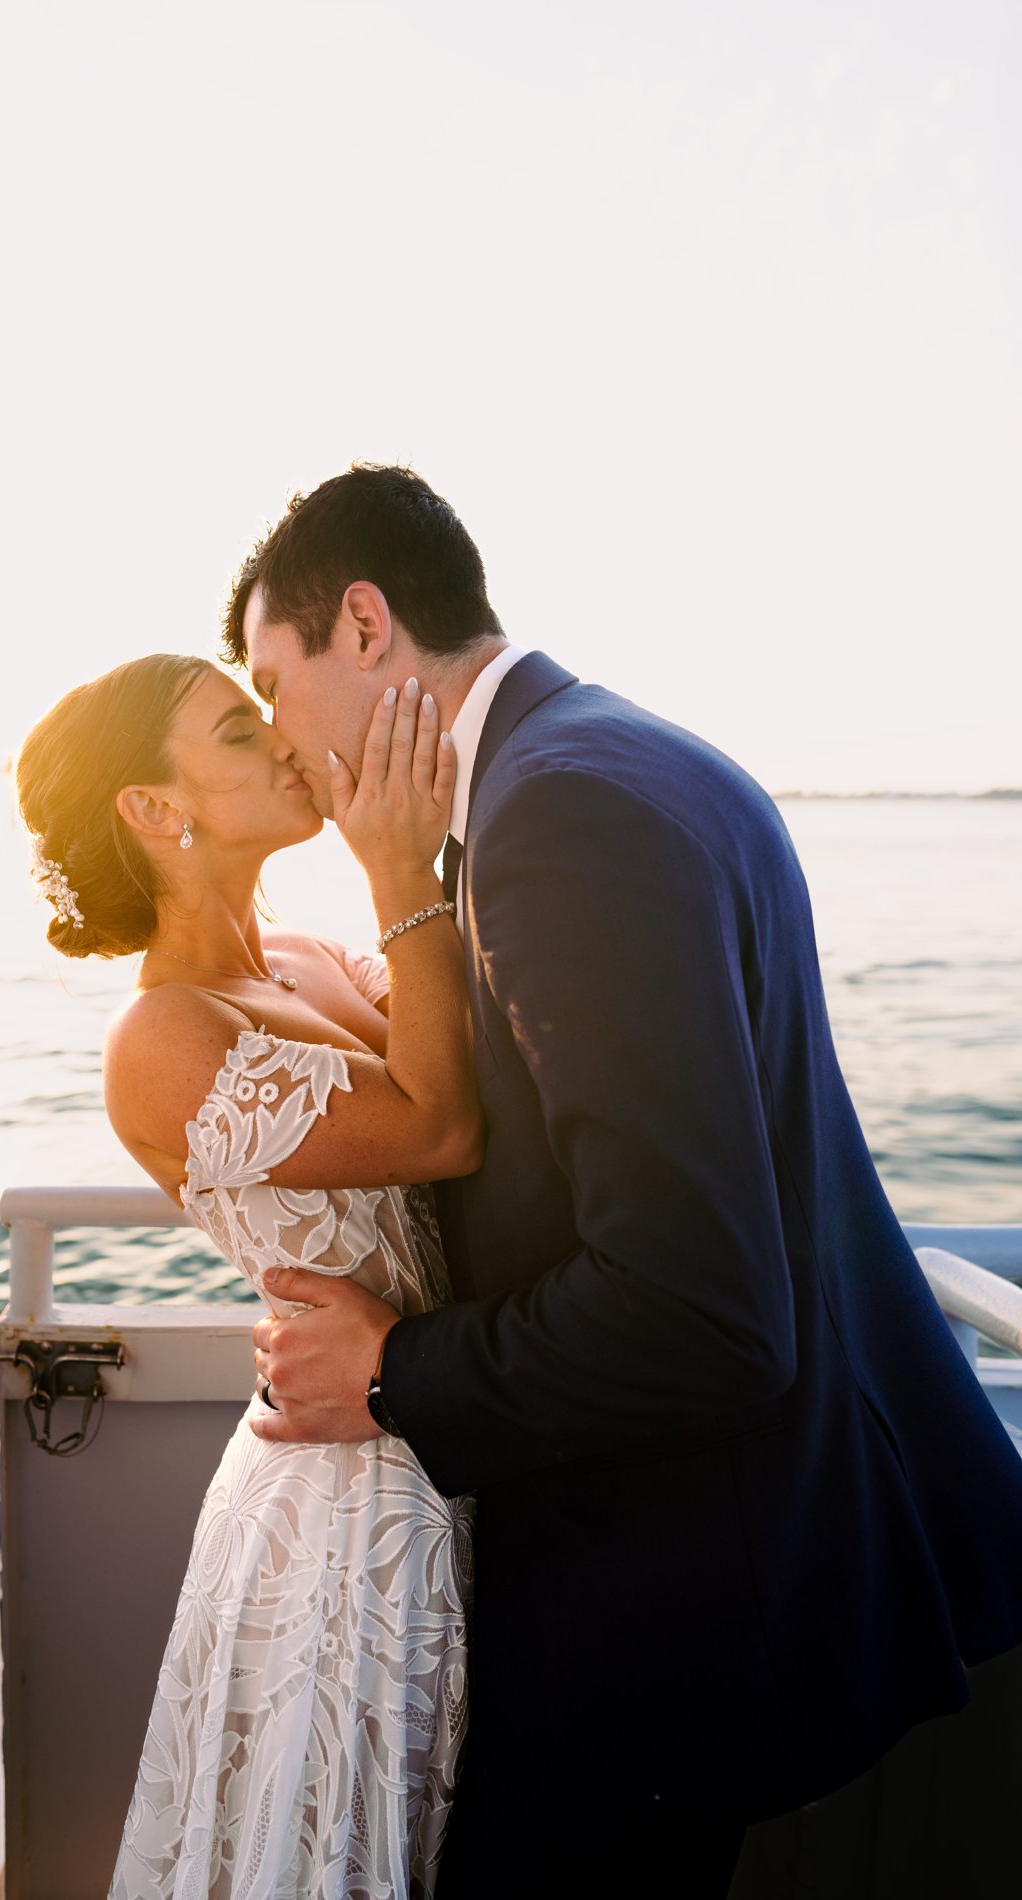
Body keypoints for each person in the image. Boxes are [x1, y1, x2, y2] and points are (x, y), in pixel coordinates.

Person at [233, 463, 1022, 1897]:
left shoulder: (558, 819)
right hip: (725, 1537)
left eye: (271, 683)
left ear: (362, 625)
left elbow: (697, 1305)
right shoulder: (625, 754)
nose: (285, 746)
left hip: (675, 1588)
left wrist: (392, 1370)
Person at [13, 652, 480, 1899]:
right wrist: (401, 865)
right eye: (237, 728)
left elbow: (490, 1072)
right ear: (154, 810)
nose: (283, 741)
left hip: (456, 1425)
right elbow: (446, 1127)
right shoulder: (165, 1034)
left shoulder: (312, 957)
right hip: (346, 1512)